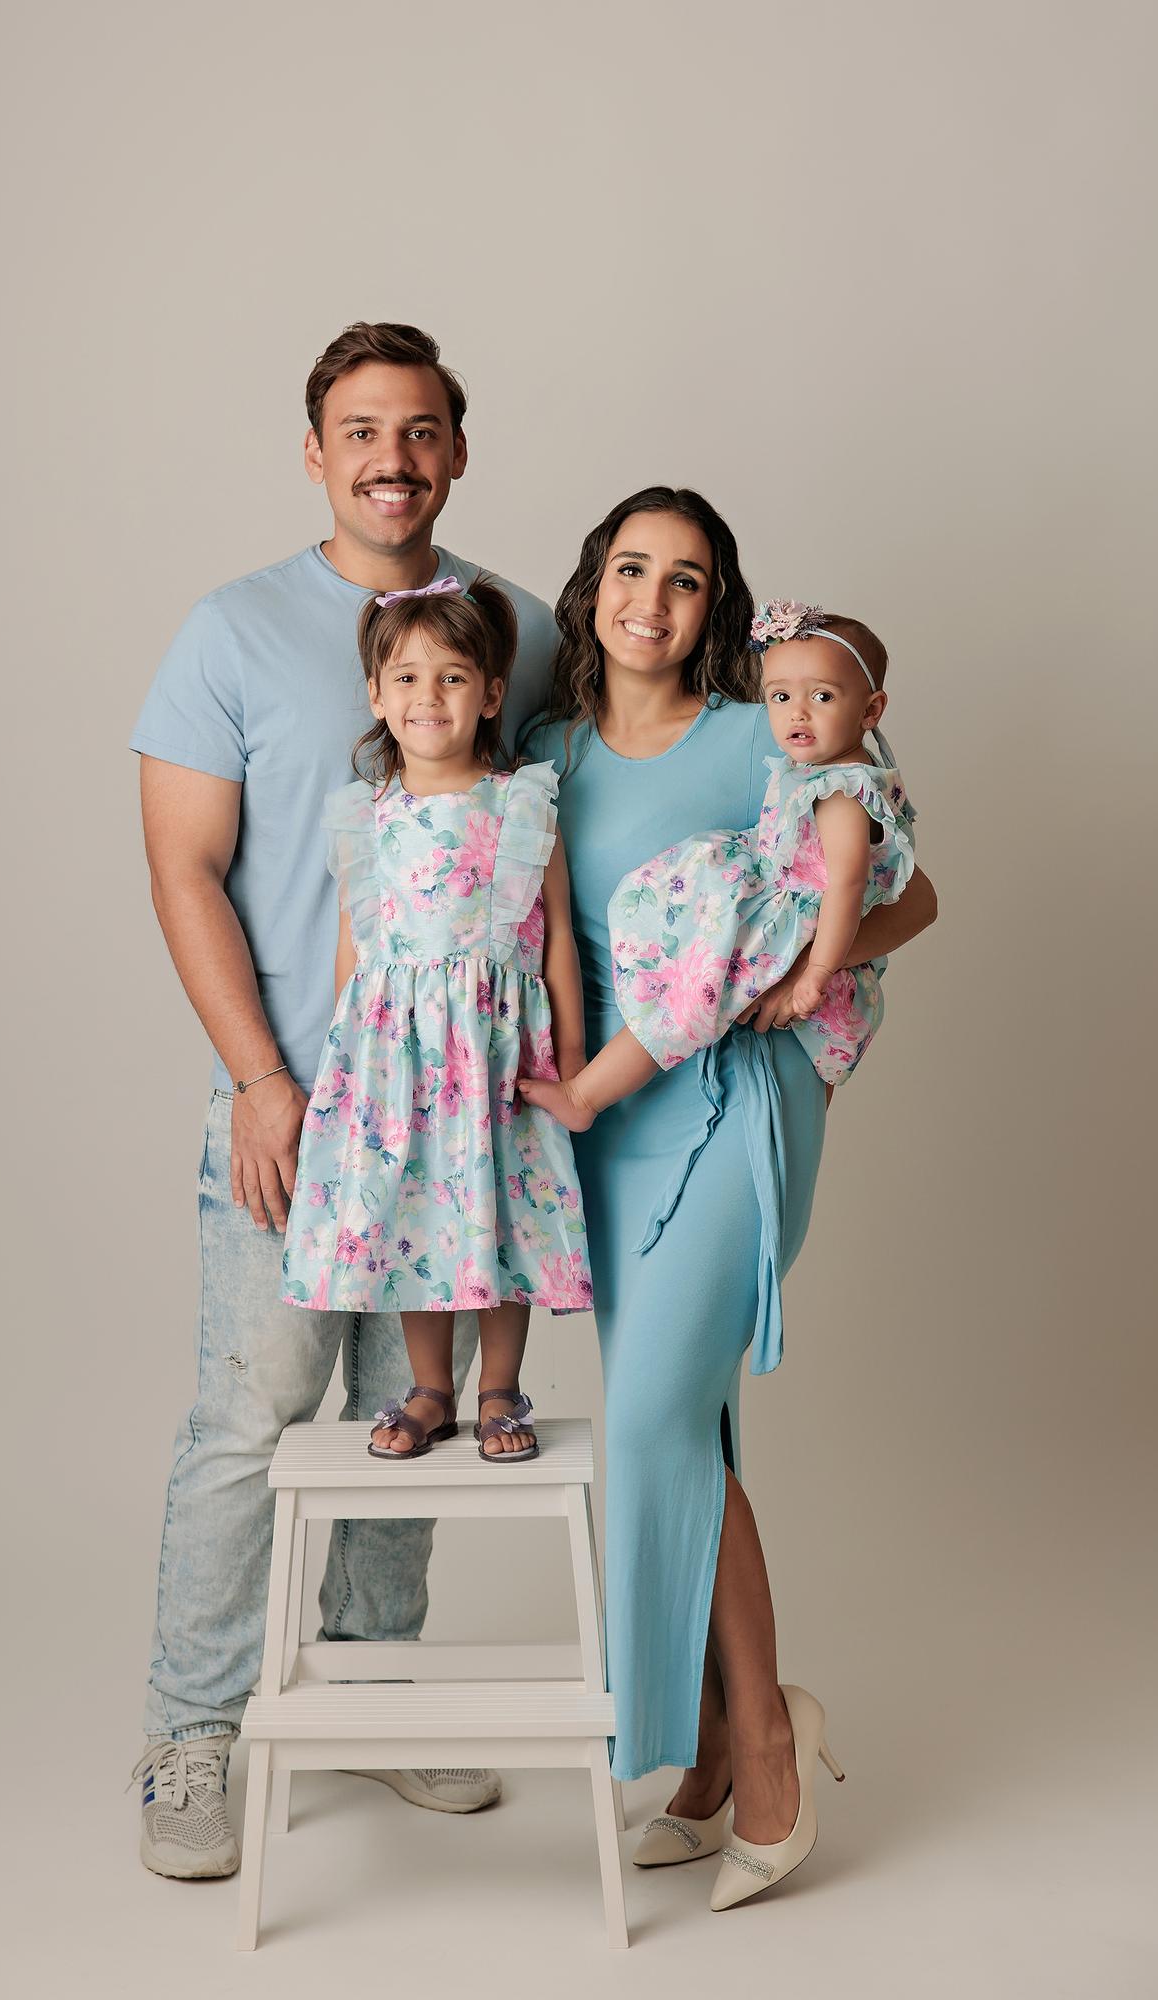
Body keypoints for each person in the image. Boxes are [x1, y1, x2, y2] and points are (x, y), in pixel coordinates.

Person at [128, 323, 557, 1879]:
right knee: (249, 1419)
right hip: (302, 1109)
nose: (394, 455)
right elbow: (184, 869)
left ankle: (376, 1689)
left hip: (464, 1126)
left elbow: (582, 823)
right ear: (315, 451)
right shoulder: (231, 632)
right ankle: (194, 1732)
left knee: (408, 1417)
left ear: (456, 448)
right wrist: (260, 1079)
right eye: (361, 429)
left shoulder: (516, 629)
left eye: (423, 428)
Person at [523, 488, 937, 1912]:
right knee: (682, 1422)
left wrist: (808, 976)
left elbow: (913, 892)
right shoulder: (545, 751)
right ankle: (702, 1755)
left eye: (686, 579)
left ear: (716, 609)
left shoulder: (761, 731)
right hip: (606, 1122)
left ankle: (766, 1745)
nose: (653, 598)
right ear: (593, 590)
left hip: (735, 1104)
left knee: (648, 1421)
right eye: (630, 569)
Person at [279, 574, 591, 1462]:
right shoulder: (363, 818)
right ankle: (430, 1389)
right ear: (376, 694)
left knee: (501, 1210)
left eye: (453, 678)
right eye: (407, 679)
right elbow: (358, 950)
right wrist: (340, 1069)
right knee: (417, 1212)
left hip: (496, 1055)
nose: (428, 698)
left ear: (491, 693)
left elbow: (557, 933)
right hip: (395, 1064)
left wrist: (568, 1059)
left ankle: (501, 1389)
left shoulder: (522, 804)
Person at [519, 597, 916, 1135]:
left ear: (870, 711)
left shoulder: (844, 792)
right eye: (780, 696)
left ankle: (584, 1095)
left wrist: (815, 972)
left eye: (822, 696)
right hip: (787, 912)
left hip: (798, 933)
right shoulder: (829, 770)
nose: (797, 713)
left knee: (691, 993)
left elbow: (846, 886)